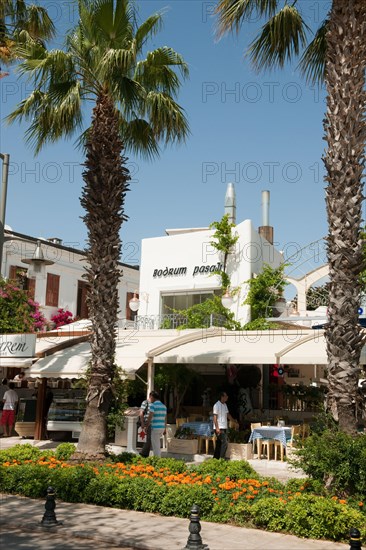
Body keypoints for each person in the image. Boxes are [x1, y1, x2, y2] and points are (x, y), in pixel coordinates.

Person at [213, 391, 235, 460]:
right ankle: (222, 458)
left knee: (219, 443)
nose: (227, 397)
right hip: (219, 427)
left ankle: (215, 458)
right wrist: (217, 428)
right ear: (222, 397)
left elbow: (228, 415)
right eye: (226, 396)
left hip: (224, 426)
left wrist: (234, 421)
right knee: (225, 442)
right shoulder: (216, 405)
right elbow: (215, 418)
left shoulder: (225, 405)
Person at [146, 391, 167, 457]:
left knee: (155, 445)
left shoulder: (153, 405)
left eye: (150, 397)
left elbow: (150, 416)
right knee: (157, 444)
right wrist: (165, 428)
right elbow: (165, 418)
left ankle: (157, 460)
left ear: (152, 397)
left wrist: (146, 426)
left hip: (155, 427)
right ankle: (158, 458)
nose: (149, 399)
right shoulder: (164, 406)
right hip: (162, 427)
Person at [138, 392, 152, 457]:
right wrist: (142, 423)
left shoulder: (154, 403)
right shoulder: (145, 402)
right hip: (147, 422)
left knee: (149, 439)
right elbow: (141, 412)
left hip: (152, 423)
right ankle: (143, 453)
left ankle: (145, 454)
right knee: (148, 438)